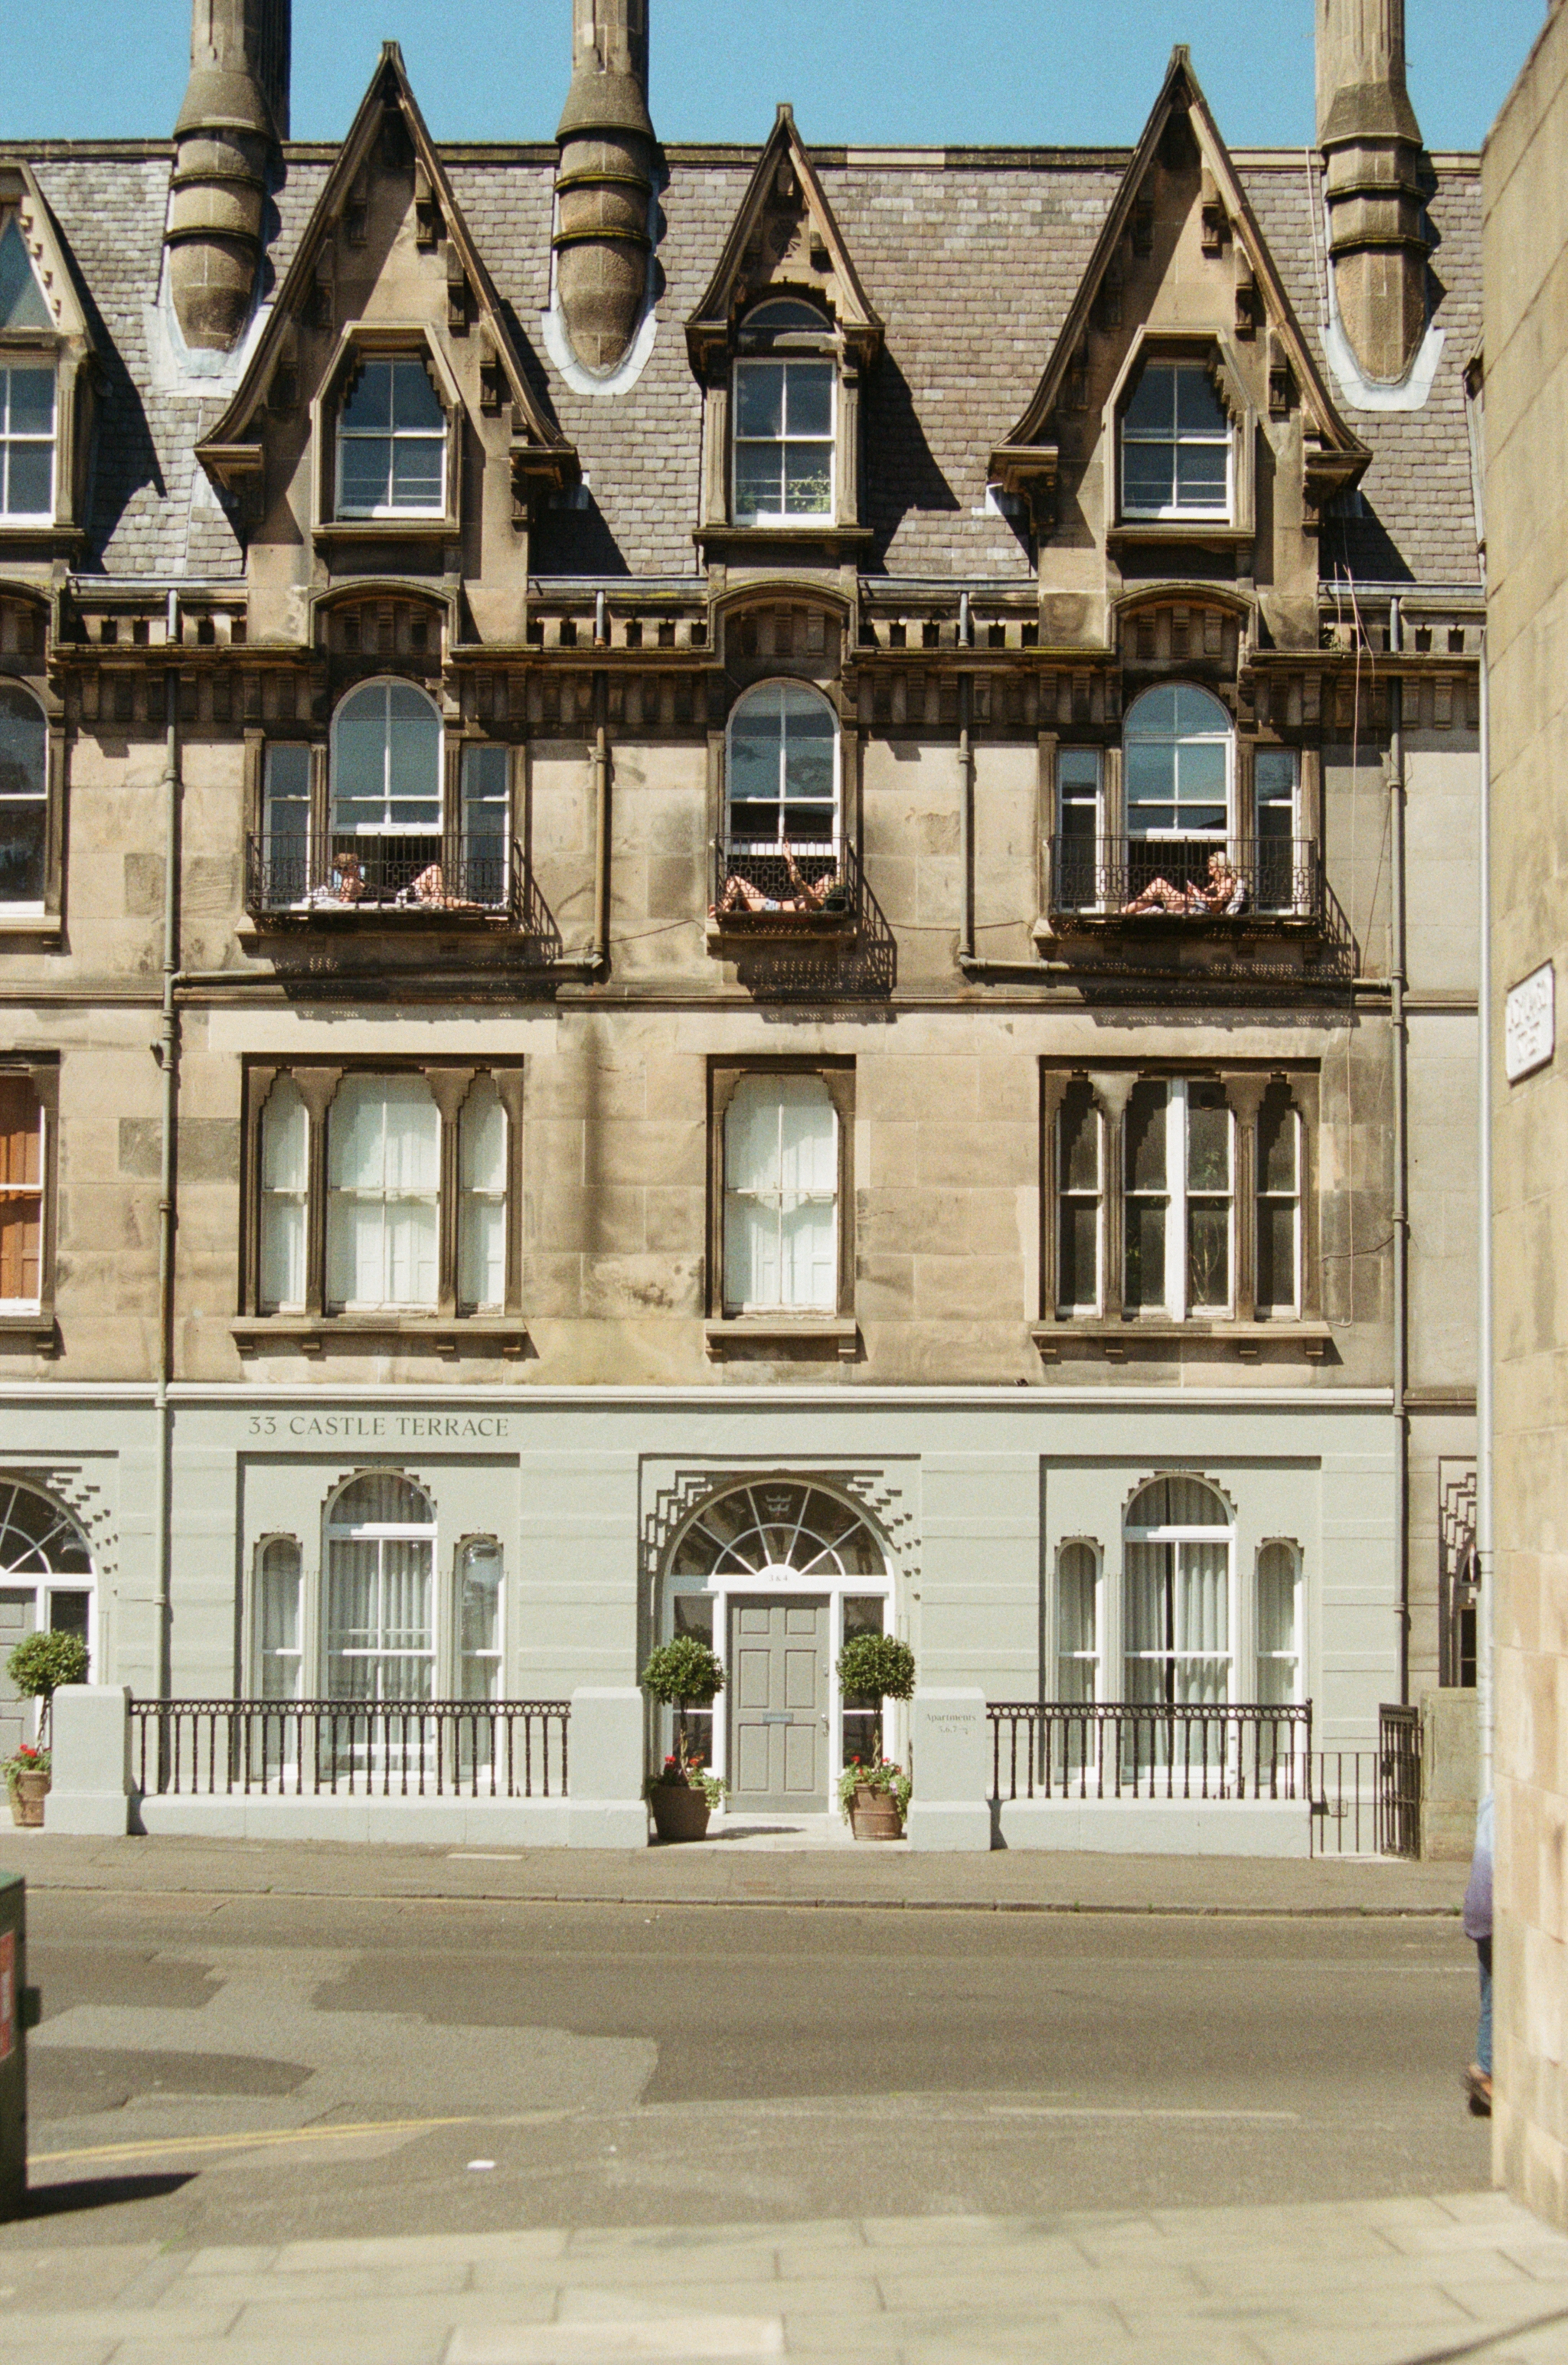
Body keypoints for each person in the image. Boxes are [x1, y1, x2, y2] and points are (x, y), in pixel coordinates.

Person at [711, 840, 840, 918]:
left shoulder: (817, 901)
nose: (820, 880)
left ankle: (724, 910)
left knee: (735, 881)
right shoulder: (813, 897)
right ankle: (724, 907)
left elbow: (796, 879)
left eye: (825, 879)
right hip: (772, 906)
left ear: (827, 887)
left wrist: (789, 859)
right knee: (733, 881)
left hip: (772, 908)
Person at [1463, 1790, 1494, 2116]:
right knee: (1498, 1996)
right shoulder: (1514, 1805)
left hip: (1478, 1908)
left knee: (1490, 1994)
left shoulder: (1490, 1799)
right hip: (1493, 1907)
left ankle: (1487, 2069)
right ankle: (1486, 2072)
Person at [1122, 850, 1248, 917]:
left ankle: (1122, 913)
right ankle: (1124, 912)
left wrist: (1197, 893)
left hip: (1200, 910)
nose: (1209, 873)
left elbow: (1215, 902)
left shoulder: (1228, 882)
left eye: (1212, 868)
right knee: (1158, 885)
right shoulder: (1215, 883)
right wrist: (1194, 893)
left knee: (1159, 885)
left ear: (1222, 867)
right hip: (1194, 904)